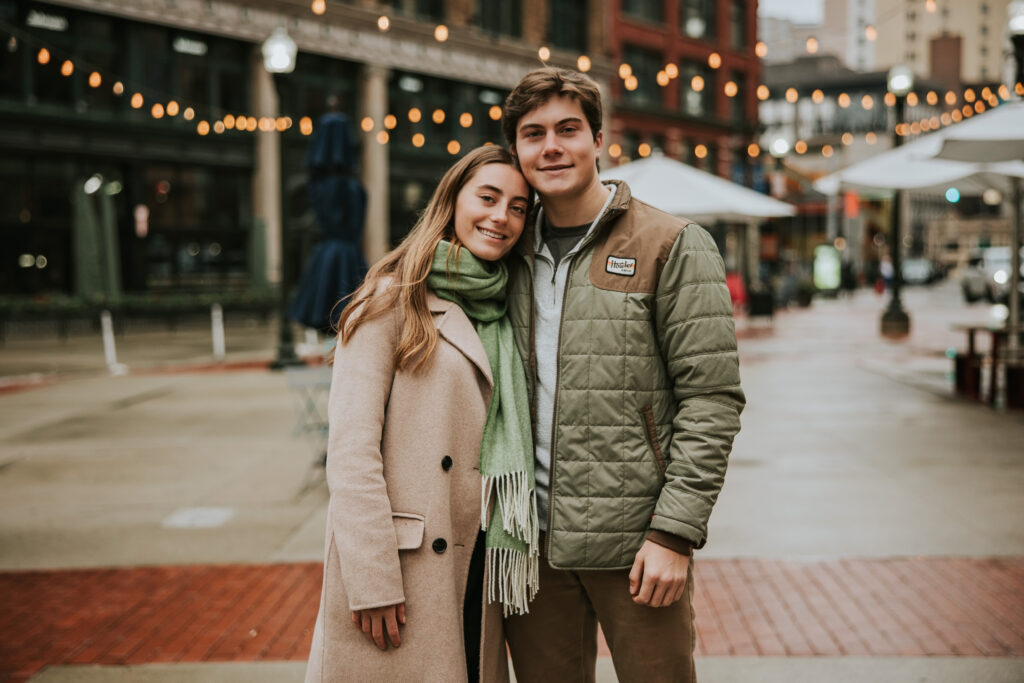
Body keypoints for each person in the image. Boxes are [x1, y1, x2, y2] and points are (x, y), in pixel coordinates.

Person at [500, 67, 745, 682]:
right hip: (531, 546)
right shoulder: (503, 250)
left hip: (637, 544)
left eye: (567, 129)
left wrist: (675, 533)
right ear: (516, 151)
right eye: (533, 134)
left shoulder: (673, 243)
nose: (551, 146)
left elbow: (712, 398)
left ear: (599, 138)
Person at [304, 146, 538, 683]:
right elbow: (351, 453)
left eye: (519, 207)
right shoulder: (391, 300)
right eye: (488, 197)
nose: (501, 216)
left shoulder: (507, 310)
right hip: (405, 569)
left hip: (480, 564)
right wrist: (372, 579)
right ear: (451, 202)